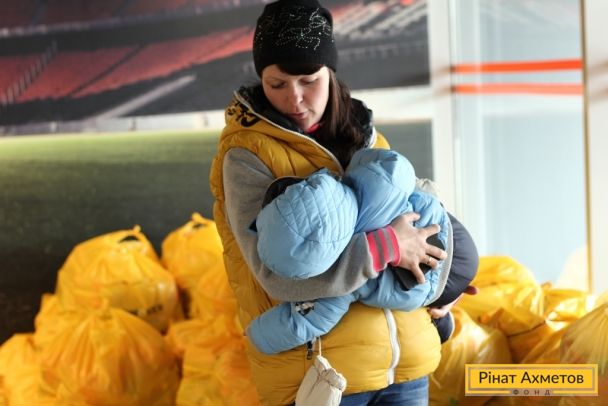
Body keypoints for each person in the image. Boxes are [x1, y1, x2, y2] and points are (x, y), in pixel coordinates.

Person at [209, 0, 475, 404]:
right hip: (321, 378)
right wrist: (384, 247)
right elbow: (278, 275)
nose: (295, 99)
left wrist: (443, 287)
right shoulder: (247, 157)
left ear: (330, 73)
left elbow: (417, 227)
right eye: (277, 84)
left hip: (405, 370)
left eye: (309, 80)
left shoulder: (370, 138)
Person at [246, 148, 479, 354]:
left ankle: (443, 321)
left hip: (428, 289)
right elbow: (394, 163)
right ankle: (448, 305)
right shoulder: (379, 184)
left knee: (411, 299)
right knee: (421, 198)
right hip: (456, 240)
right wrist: (354, 168)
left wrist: (259, 336)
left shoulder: (339, 282)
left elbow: (305, 322)